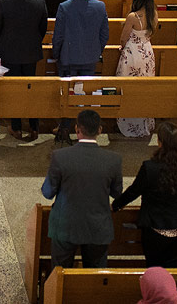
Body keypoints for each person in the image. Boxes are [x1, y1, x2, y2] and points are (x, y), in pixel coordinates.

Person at [113, 122, 177, 268]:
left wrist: (116, 205)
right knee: (174, 261)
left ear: (160, 143)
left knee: (154, 265)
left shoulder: (150, 168)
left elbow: (134, 191)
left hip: (158, 227)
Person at [41, 109, 122, 268]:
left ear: (77, 129)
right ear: (100, 130)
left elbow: (48, 193)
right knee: (94, 279)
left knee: (59, 274)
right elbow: (116, 193)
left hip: (66, 225)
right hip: (97, 228)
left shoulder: (60, 156)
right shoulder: (113, 160)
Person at [0, 0, 48, 140]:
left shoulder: (3, 3)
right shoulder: (39, 1)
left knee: (14, 90)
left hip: (9, 53)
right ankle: (34, 126)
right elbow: (42, 28)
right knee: (30, 88)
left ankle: (16, 127)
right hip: (31, 52)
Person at [52, 0, 110, 143]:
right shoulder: (100, 6)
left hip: (68, 58)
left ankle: (64, 127)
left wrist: (57, 54)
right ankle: (84, 129)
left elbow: (59, 36)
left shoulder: (64, 7)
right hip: (89, 58)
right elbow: (104, 34)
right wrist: (95, 51)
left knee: (67, 94)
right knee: (84, 94)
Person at [115, 0, 158, 138]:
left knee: (128, 88)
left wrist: (122, 47)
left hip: (133, 54)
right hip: (147, 52)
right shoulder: (153, 14)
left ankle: (130, 123)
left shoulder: (133, 16)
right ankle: (143, 121)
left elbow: (123, 38)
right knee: (144, 88)